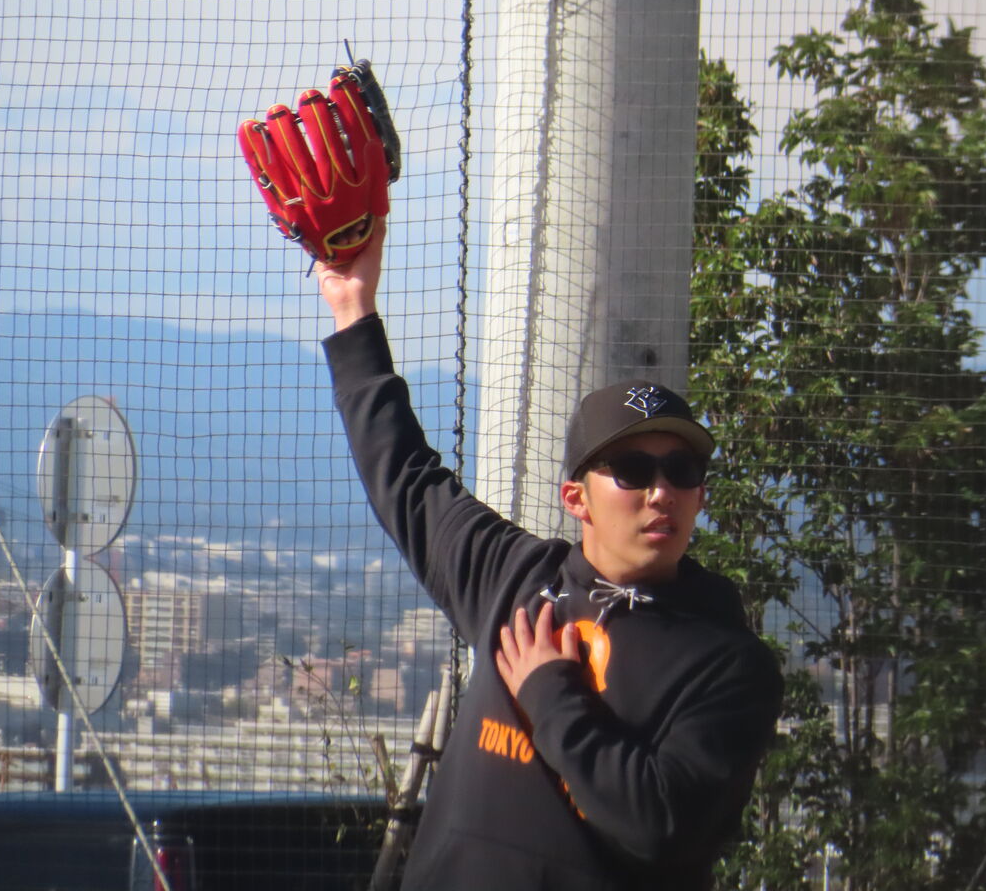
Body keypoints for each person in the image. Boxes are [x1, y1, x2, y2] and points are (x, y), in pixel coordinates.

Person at [317, 223, 782, 891]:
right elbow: (406, 477)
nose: (661, 492)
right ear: (576, 497)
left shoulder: (729, 663)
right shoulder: (513, 576)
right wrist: (352, 308)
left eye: (682, 470)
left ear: (700, 494)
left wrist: (550, 695)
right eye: (633, 469)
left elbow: (660, 825)